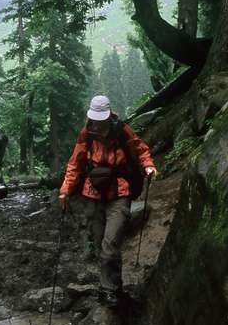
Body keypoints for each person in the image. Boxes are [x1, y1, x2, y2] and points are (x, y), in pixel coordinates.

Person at [59, 95, 157, 304]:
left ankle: (108, 289)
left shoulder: (121, 130)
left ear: (109, 114)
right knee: (100, 243)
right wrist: (65, 190)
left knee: (110, 243)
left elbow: (140, 148)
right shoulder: (87, 134)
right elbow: (75, 163)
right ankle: (113, 287)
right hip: (93, 194)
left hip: (120, 192)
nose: (98, 122)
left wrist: (148, 165)